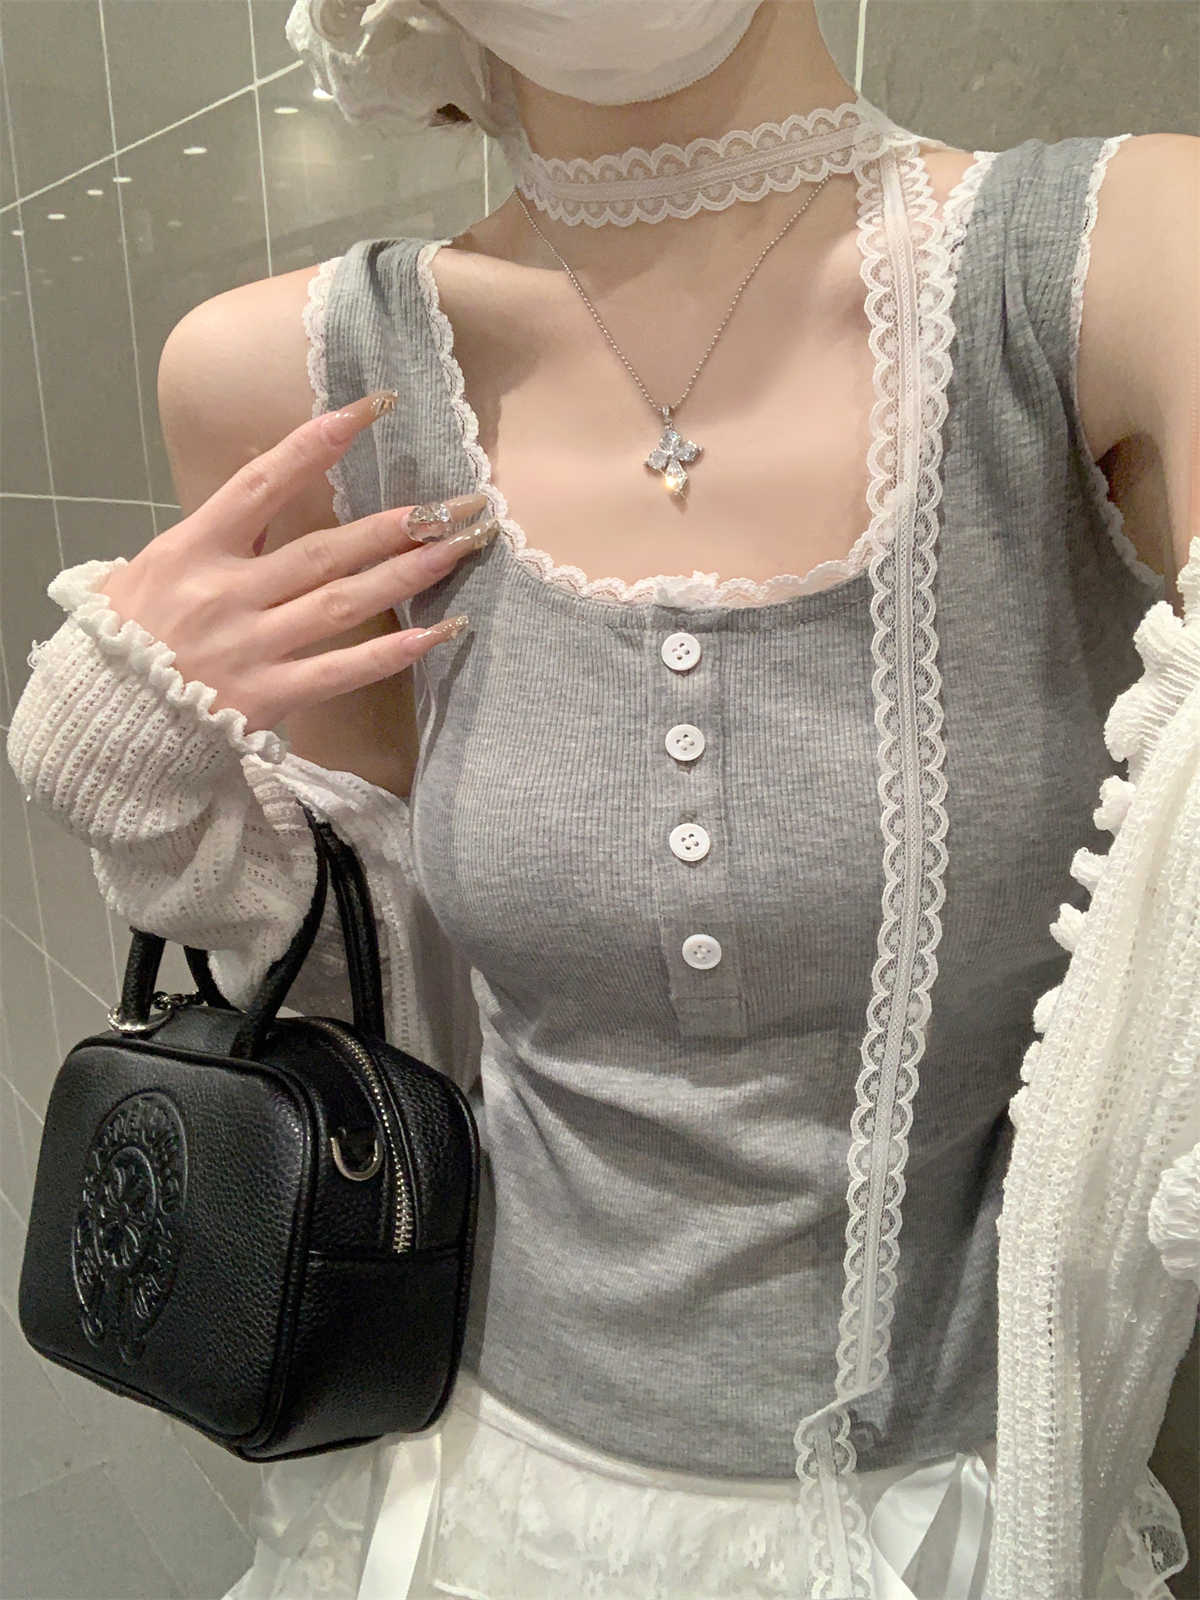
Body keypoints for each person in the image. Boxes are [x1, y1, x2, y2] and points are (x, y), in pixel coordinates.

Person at [7, 2, 1198, 1596]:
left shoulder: (1124, 263)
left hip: (941, 1512)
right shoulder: (285, 375)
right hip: (483, 1479)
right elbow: (370, 998)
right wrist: (165, 815)